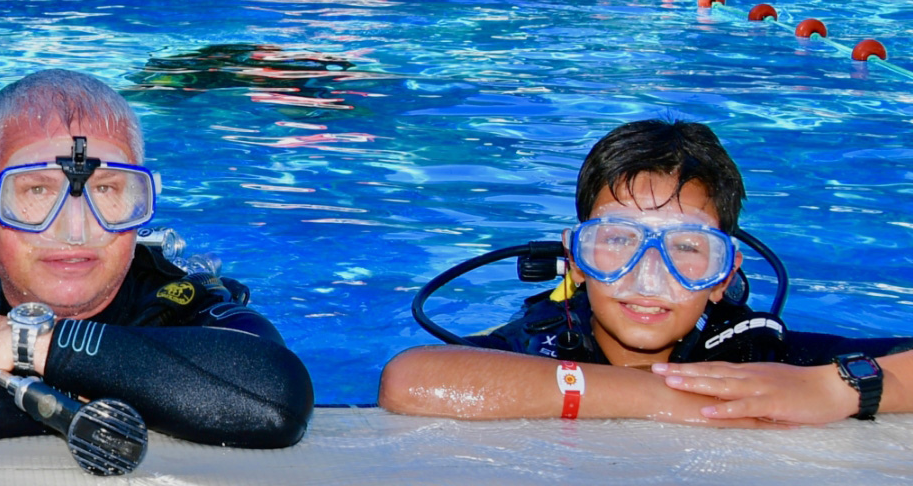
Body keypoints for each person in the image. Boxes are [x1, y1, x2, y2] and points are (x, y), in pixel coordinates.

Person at [0, 69, 313, 448]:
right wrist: (145, 388)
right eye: (37, 191)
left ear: (140, 209)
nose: (75, 227)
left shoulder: (190, 306)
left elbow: (275, 396)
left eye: (107, 189)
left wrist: (15, 344)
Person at [379, 119, 913, 426]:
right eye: (617, 241)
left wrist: (838, 389)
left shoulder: (754, 356)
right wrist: (665, 398)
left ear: (725, 275)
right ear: (577, 261)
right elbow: (411, 379)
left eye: (688, 247)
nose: (648, 275)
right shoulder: (548, 342)